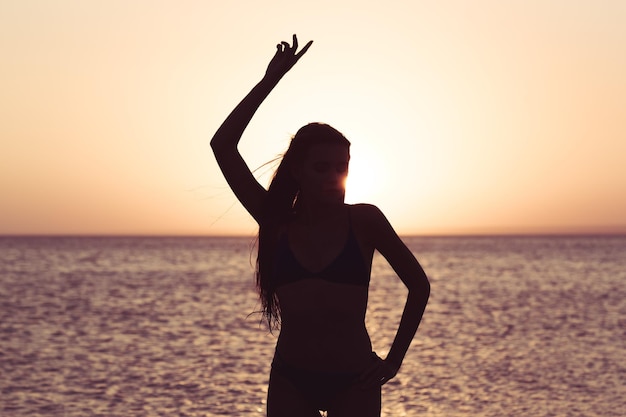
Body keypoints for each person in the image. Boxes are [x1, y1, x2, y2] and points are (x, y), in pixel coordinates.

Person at [210, 34, 430, 417]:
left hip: (355, 380)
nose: (333, 176)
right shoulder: (276, 221)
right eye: (321, 167)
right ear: (298, 171)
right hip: (292, 380)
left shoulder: (365, 221)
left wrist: (394, 361)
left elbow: (419, 285)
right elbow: (222, 145)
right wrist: (270, 79)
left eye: (341, 167)